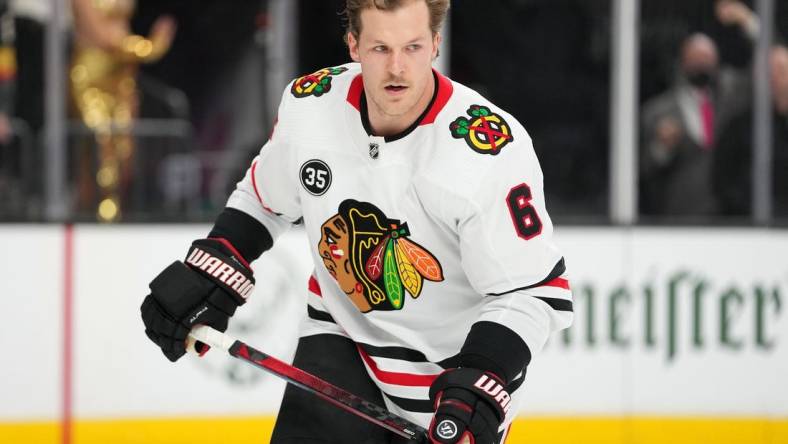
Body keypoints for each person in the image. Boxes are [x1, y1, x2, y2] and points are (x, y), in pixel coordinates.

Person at [140, 1, 573, 443]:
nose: (397, 69)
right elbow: (264, 199)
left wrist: (484, 377)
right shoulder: (312, 106)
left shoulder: (487, 149)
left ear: (436, 44)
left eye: (413, 47)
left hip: (451, 380)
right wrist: (214, 266)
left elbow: (531, 291)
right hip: (342, 337)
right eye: (381, 48)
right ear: (353, 45)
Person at [640, 0, 758, 217]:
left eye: (707, 58)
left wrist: (749, 22)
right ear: (683, 62)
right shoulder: (657, 111)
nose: (702, 64)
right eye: (696, 58)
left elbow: (768, 69)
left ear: (717, 62)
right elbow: (643, 171)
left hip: (730, 217)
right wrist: (663, 148)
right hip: (679, 218)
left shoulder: (730, 96)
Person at [70, 0, 176, 222]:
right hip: (92, 81)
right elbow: (103, 37)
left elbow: (121, 28)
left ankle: (118, 210)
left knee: (125, 149)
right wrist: (151, 47)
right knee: (101, 145)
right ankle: (97, 212)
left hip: (122, 80)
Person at [713, 45, 788, 218]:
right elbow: (722, 182)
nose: (775, 79)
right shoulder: (738, 126)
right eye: (769, 73)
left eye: (782, 71)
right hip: (751, 227)